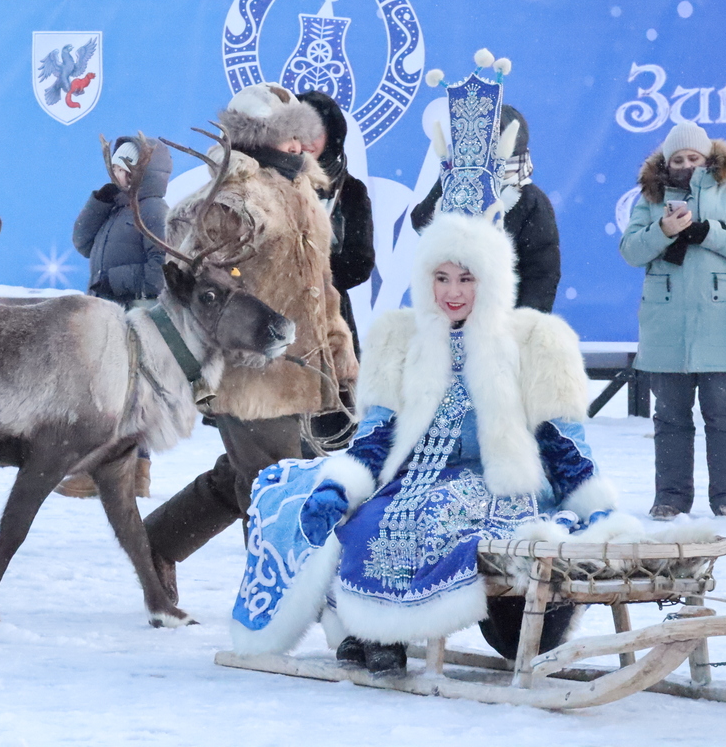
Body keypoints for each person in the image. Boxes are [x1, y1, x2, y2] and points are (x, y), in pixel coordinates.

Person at [229, 211, 631, 674]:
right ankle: (367, 631)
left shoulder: (534, 340)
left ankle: (390, 626)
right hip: (411, 476)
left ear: (493, 280)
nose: (453, 292)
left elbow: (562, 441)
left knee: (435, 514)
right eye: (441, 278)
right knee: (341, 506)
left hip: (500, 486)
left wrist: (593, 502)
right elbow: (377, 435)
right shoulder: (400, 338)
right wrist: (342, 485)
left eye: (466, 278)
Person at [144, 82, 359, 599]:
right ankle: (275, 598)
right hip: (247, 367)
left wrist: (338, 351)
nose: (299, 146)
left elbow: (319, 287)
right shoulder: (234, 194)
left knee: (250, 473)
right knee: (273, 484)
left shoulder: (302, 189)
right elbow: (189, 268)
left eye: (302, 137)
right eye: (288, 137)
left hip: (303, 364)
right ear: (259, 137)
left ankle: (154, 542)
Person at [619, 122, 726, 520]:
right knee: (669, 418)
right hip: (665, 325)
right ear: (665, 162)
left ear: (709, 158)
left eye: (694, 158)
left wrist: (709, 232)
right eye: (678, 159)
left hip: (724, 323)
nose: (686, 164)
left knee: (723, 415)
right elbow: (631, 251)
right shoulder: (650, 198)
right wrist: (663, 230)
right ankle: (670, 498)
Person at [56, 136, 173, 499]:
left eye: (126, 170)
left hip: (133, 317)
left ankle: (104, 473)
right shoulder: (118, 209)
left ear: (145, 171)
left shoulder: (154, 210)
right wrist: (100, 201)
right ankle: (135, 472)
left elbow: (161, 274)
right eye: (116, 169)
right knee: (120, 397)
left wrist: (112, 281)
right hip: (110, 314)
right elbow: (83, 243)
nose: (119, 175)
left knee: (121, 398)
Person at [410, 104, 561, 313]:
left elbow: (541, 271)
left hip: (501, 317)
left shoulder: (529, 200)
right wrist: (448, 182)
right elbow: (421, 221)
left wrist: (524, 321)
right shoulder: (455, 183)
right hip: (448, 312)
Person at [296, 90, 375, 451]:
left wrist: (317, 277)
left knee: (330, 432)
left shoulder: (351, 192)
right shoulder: (269, 186)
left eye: (317, 131)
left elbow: (361, 262)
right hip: (272, 316)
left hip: (330, 317)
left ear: (333, 135)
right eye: (299, 130)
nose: (308, 141)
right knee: (271, 436)